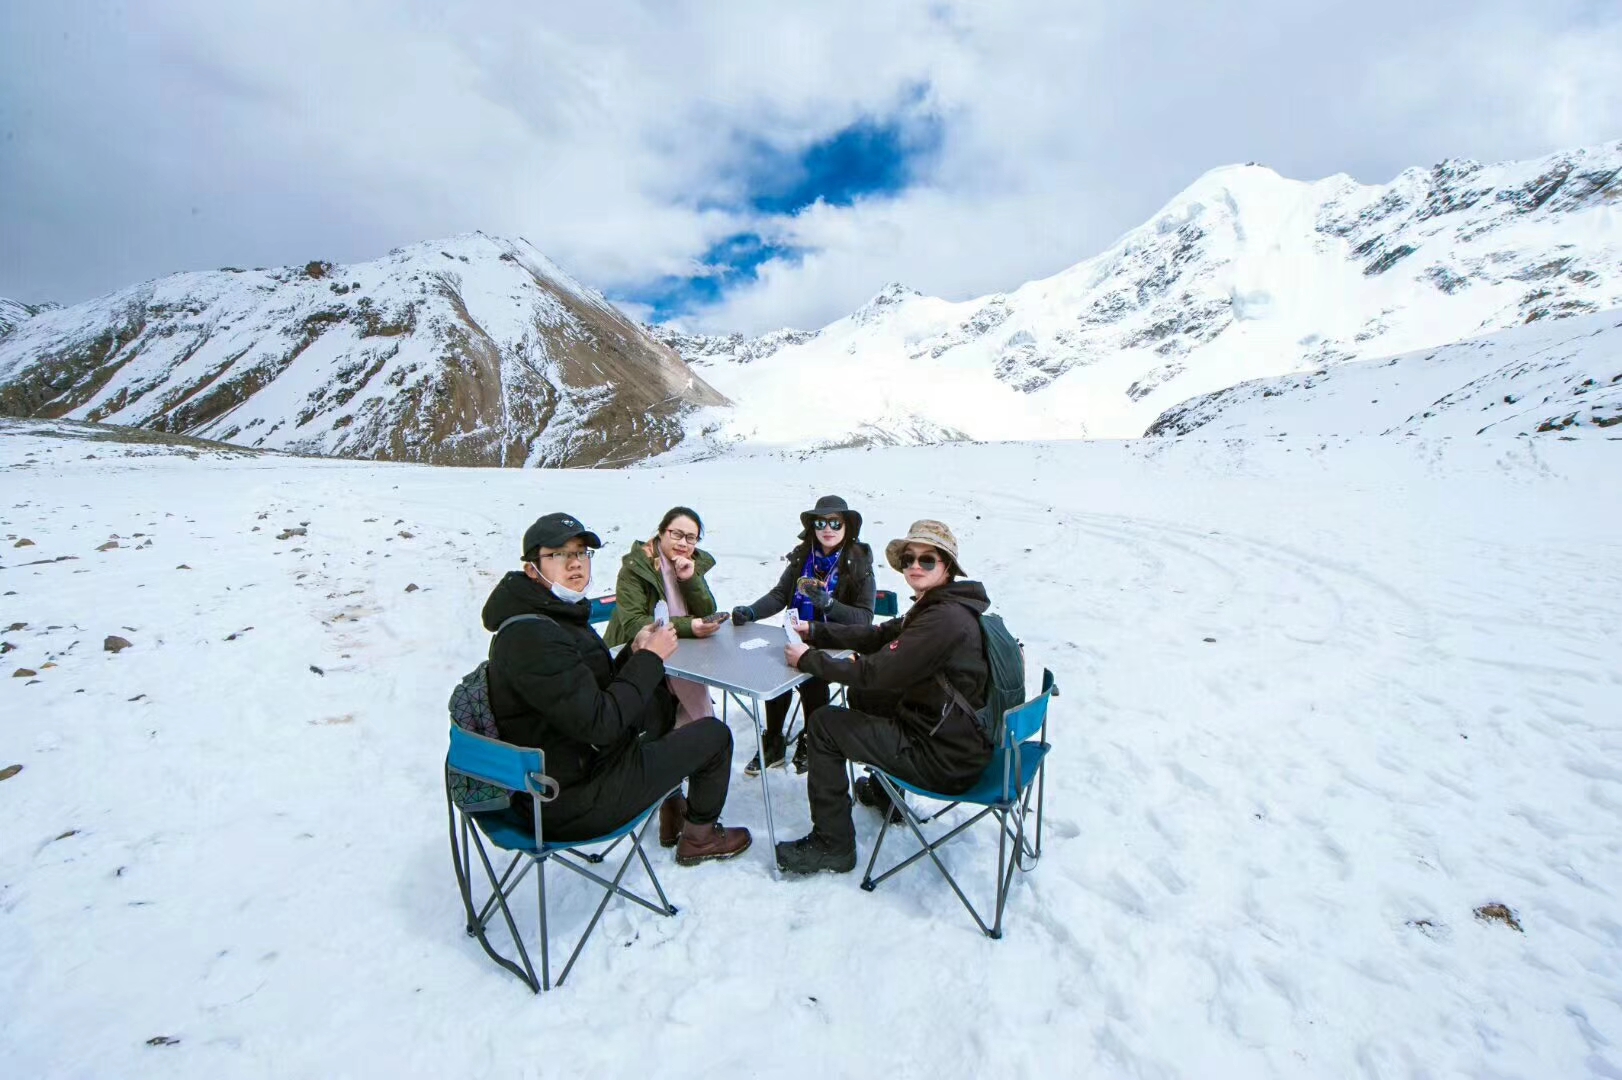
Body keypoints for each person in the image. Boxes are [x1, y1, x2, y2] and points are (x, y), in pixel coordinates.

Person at [482, 511, 750, 865]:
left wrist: (633, 652)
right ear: (533, 568)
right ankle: (699, 838)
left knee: (660, 702)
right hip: (570, 800)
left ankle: (673, 811)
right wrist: (649, 659)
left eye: (581, 553)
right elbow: (602, 722)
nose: (575, 564)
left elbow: (592, 687)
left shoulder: (556, 615)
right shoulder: (532, 636)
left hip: (575, 767)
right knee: (714, 736)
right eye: (559, 555)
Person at [774, 519, 993, 874]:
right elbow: (878, 634)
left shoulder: (943, 619)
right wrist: (815, 630)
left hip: (942, 759)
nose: (914, 567)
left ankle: (834, 845)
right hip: (955, 738)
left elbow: (875, 671)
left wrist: (808, 659)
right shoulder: (938, 606)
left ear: (947, 566)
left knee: (824, 724)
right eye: (909, 559)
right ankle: (885, 795)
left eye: (927, 560)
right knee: (865, 698)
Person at [731, 495, 875, 775]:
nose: (827, 528)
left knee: (812, 675)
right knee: (776, 669)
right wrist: (750, 612)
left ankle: (812, 739)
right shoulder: (802, 557)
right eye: (821, 522)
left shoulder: (858, 564)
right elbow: (779, 595)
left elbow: (865, 619)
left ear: (847, 527)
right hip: (798, 634)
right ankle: (773, 742)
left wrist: (829, 605)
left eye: (835, 522)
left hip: (839, 642)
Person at [603, 506, 722, 727]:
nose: (683, 543)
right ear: (661, 532)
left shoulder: (690, 562)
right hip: (631, 652)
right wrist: (689, 626)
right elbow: (634, 623)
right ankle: (698, 730)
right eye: (676, 534)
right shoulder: (636, 568)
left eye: (691, 538)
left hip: (682, 648)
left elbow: (707, 612)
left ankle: (694, 731)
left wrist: (690, 579)